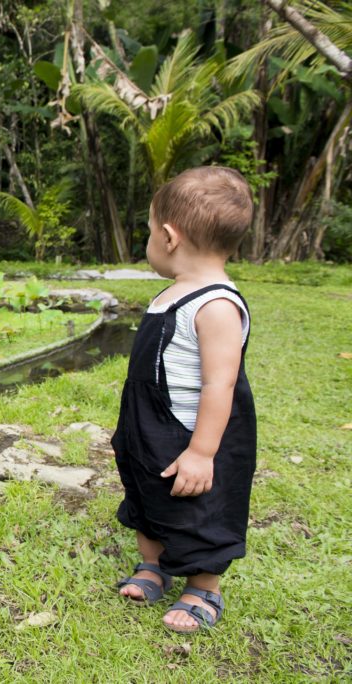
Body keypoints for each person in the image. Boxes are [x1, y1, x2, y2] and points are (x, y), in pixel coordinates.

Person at [111, 166, 256, 633]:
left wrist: (202, 451)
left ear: (169, 236)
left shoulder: (216, 305)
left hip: (190, 430)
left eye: (149, 231)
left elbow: (221, 384)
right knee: (145, 490)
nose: (148, 240)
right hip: (148, 423)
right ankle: (153, 565)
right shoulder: (174, 292)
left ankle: (204, 586)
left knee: (200, 507)